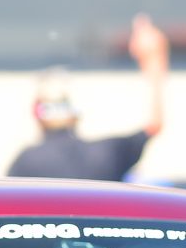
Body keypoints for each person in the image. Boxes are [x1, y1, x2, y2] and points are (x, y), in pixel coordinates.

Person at [9, 15, 168, 181]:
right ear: (75, 116)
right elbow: (154, 125)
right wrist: (155, 58)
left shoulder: (26, 162)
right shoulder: (108, 153)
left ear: (36, 116)